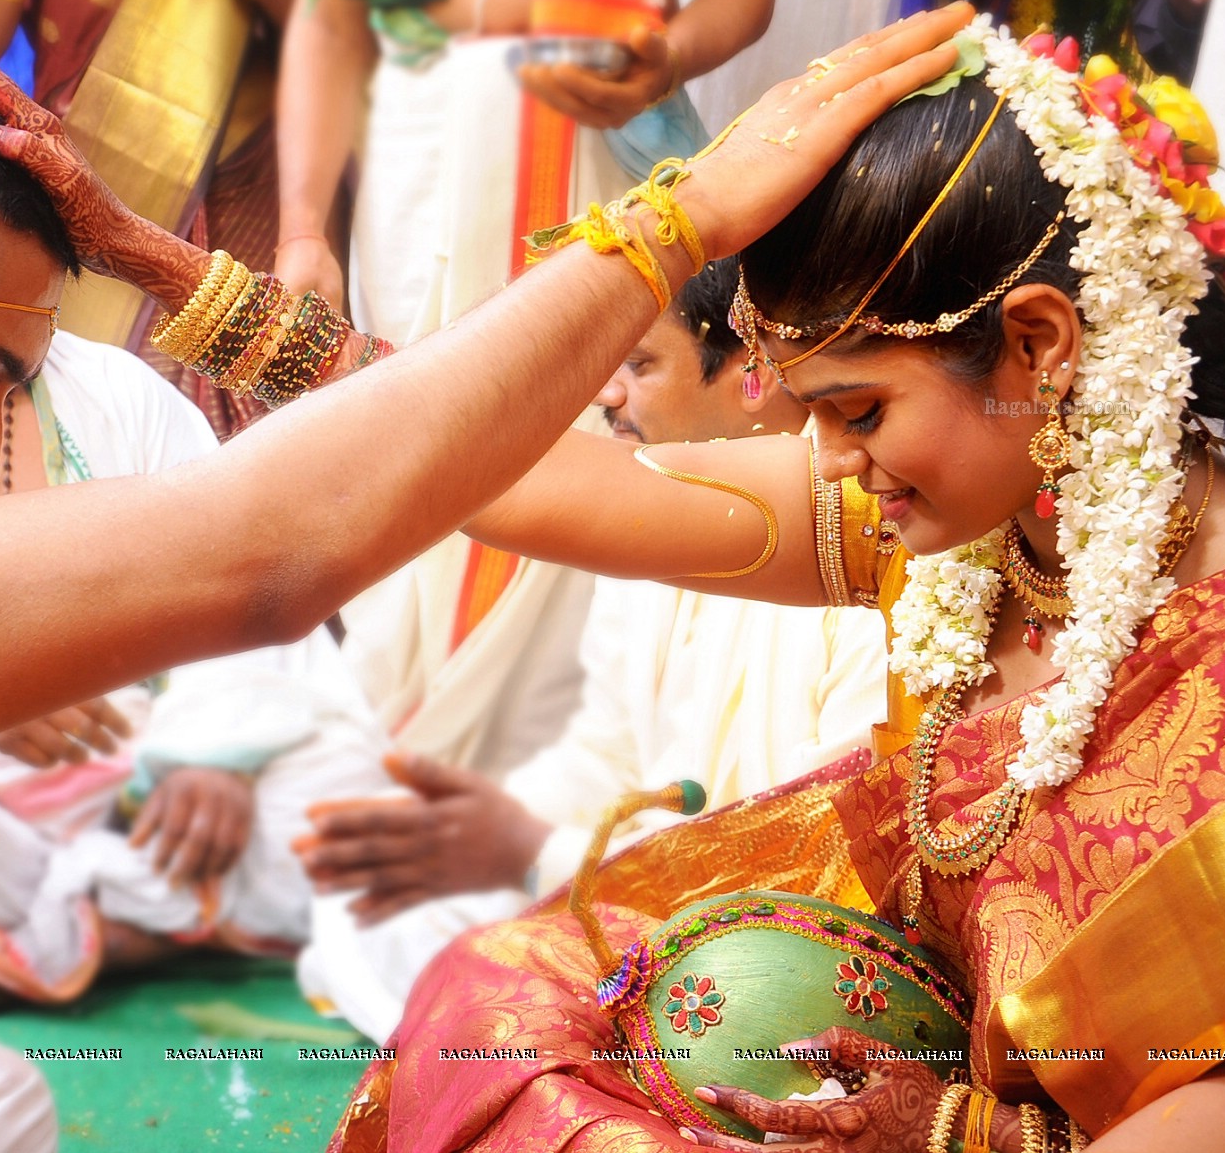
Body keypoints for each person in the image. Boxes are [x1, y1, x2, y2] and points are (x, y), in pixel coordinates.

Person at [0, 7, 979, 1153]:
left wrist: (178, 282)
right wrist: (673, 216)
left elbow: (492, 482)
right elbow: (256, 550)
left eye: (846, 403)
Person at [325, 21, 1225, 1153]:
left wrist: (955, 1137)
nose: (831, 462)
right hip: (880, 1080)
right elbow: (523, 482)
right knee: (500, 1002)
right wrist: (202, 298)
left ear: (1037, 345)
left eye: (857, 411)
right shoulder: (1016, 517)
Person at [292, 261, 890, 1043]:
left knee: (494, 979)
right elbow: (602, 756)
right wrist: (484, 832)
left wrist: (539, 849)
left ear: (752, 370)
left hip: (770, 944)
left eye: (639, 363)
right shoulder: (646, 541)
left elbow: (822, 844)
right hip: (628, 886)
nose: (606, 392)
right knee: (370, 907)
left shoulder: (869, 533)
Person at [277, 0, 776, 797]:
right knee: (409, 454)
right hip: (415, 178)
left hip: (595, 162)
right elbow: (328, 20)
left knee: (591, 454)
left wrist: (667, 55)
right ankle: (404, 763)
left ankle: (539, 807)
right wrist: (302, 229)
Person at [0, 332, 390, 1015]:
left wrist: (215, 755)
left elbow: (239, 573)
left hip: (160, 776)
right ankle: (134, 923)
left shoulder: (115, 389)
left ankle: (80, 936)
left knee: (341, 799)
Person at [0, 0, 316, 437]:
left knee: (226, 444)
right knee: (67, 421)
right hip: (71, 188)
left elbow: (346, 37)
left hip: (244, 193)